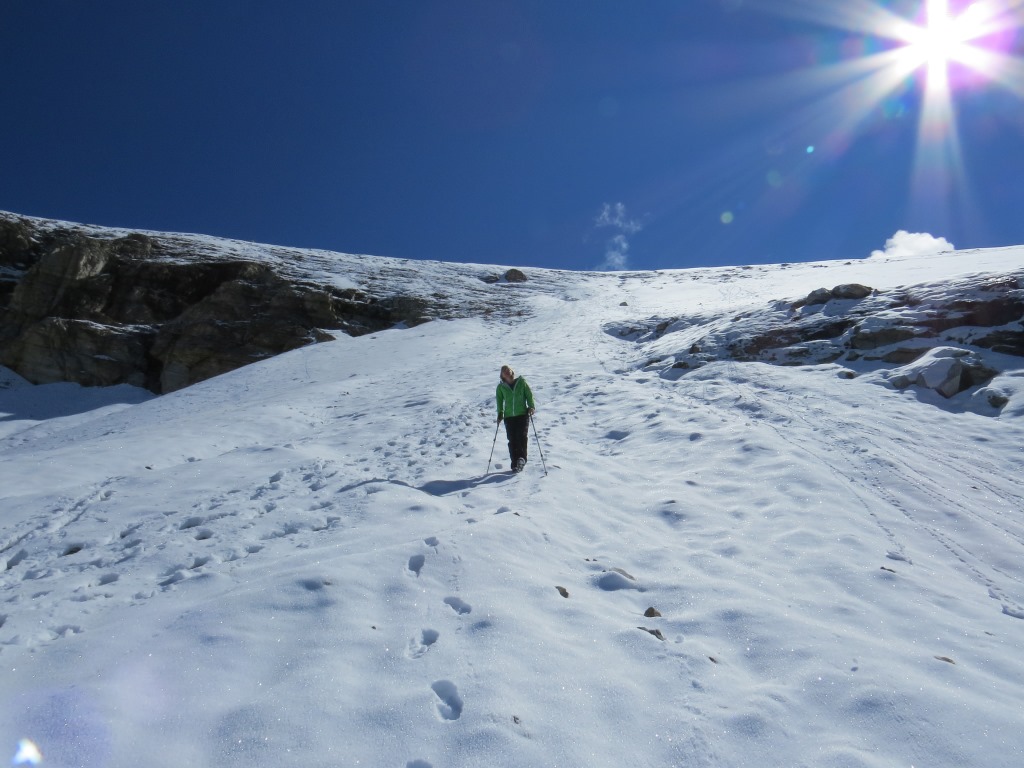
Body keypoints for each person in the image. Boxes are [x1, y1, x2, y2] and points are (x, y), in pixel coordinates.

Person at [496, 365, 536, 472]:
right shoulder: (501, 387)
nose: (506, 371)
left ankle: (521, 459)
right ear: (502, 375)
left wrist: (531, 406)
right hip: (509, 417)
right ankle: (514, 463)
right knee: (512, 439)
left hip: (522, 415)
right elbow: (499, 401)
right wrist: (500, 413)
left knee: (521, 436)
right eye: (504, 371)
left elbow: (529, 395)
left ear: (511, 371)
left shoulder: (521, 382)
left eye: (508, 370)